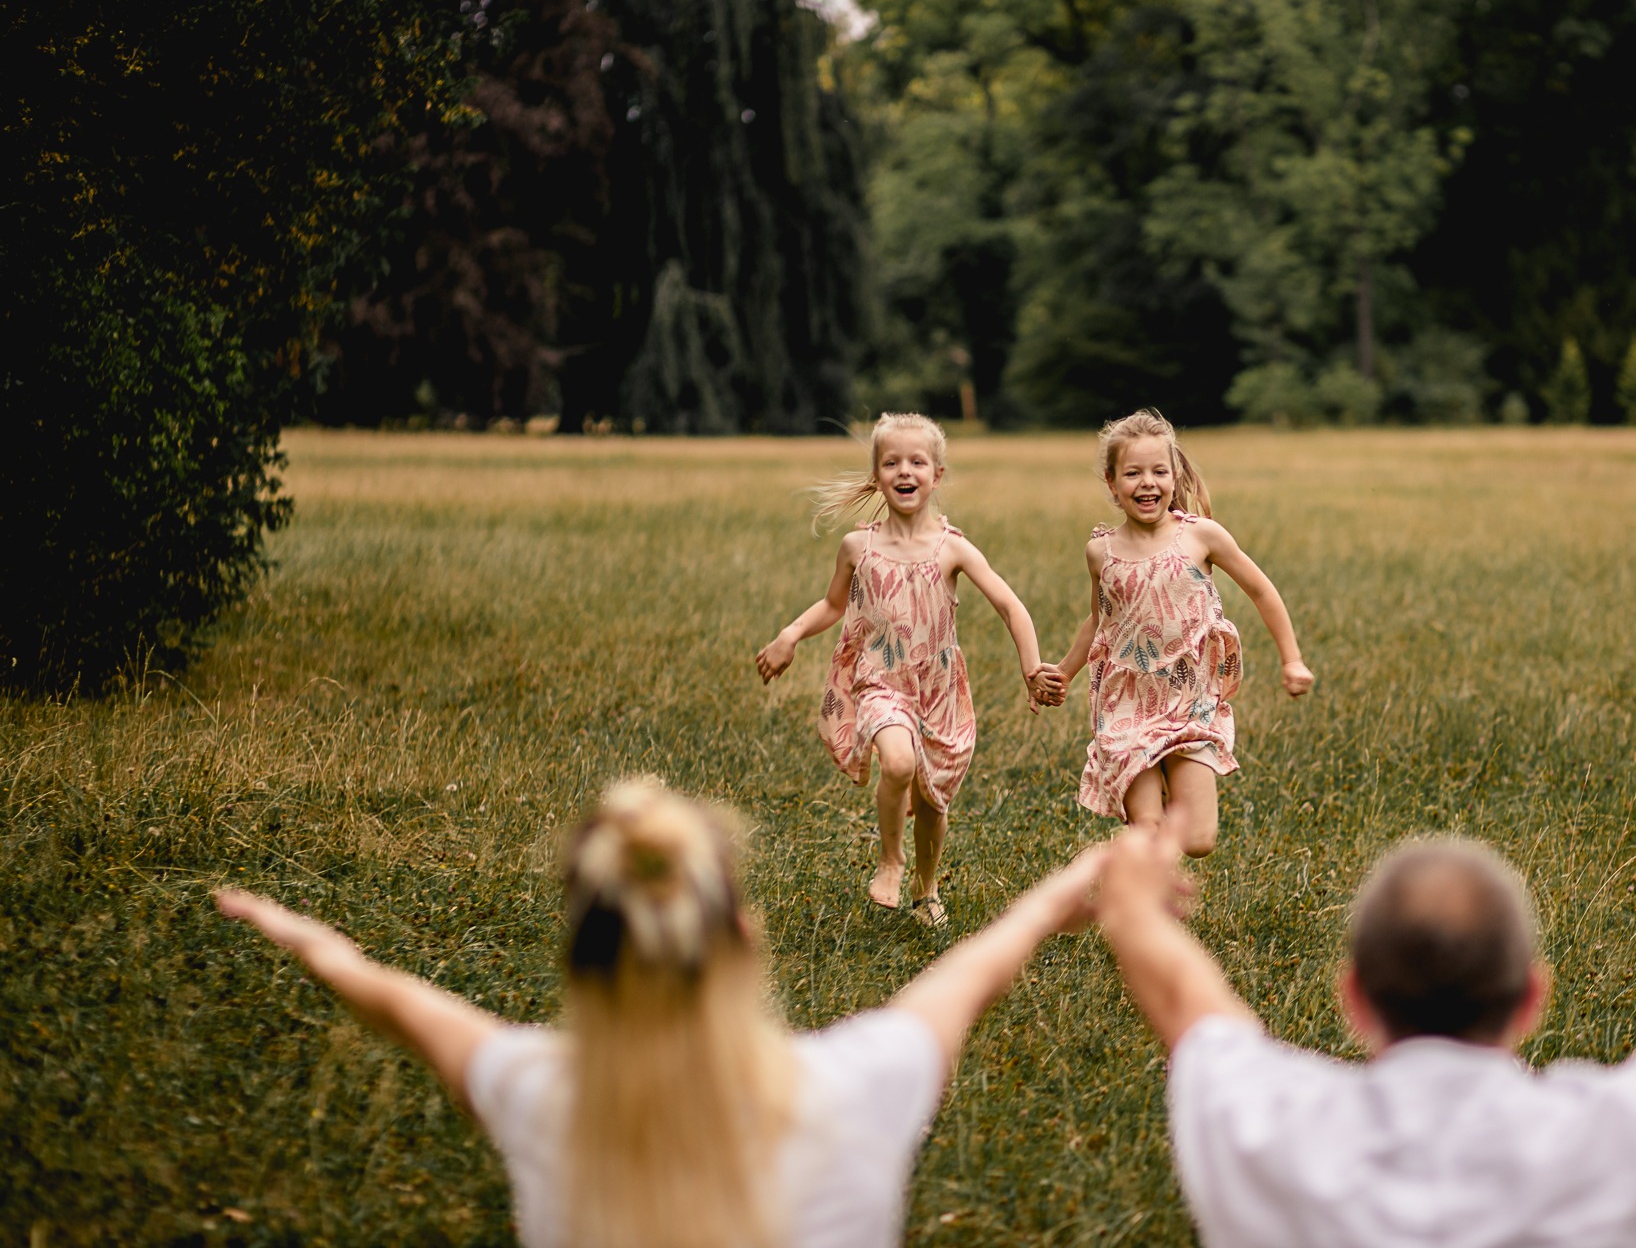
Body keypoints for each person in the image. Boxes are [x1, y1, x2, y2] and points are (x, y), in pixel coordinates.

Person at [215, 777, 1103, 1248]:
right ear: (746, 942)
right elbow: (968, 976)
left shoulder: (541, 1096)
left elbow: (401, 1003)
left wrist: (320, 947)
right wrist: (1061, 892)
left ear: (581, 967)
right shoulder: (854, 1089)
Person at [1094, 808, 1636, 1248]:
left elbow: (1182, 995)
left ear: (1353, 998)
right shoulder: (1610, 1144)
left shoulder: (1273, 1131)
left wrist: (1130, 896)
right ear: (1531, 999)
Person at [754, 412, 1064, 925]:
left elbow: (1011, 606)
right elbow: (833, 606)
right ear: (877, 475)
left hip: (939, 691)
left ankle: (927, 889)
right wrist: (789, 635)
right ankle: (890, 861)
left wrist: (1031, 668)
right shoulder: (859, 547)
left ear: (936, 474)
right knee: (897, 763)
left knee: (933, 799)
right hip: (881, 681)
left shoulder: (952, 548)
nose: (905, 471)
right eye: (891, 462)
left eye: (917, 462)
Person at [1049, 410, 1313, 856]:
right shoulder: (1101, 552)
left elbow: (1261, 590)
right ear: (1112, 485)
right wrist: (1063, 672)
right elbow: (1098, 620)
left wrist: (1292, 659)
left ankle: (1169, 781)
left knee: (1197, 841)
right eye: (1133, 473)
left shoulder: (1200, 537)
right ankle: (1140, 893)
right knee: (1148, 832)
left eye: (1158, 471)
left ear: (1174, 477)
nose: (1147, 483)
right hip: (1127, 704)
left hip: (1190, 701)